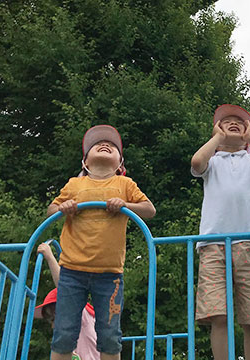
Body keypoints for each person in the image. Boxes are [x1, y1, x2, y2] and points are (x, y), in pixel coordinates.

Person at [46, 125, 156, 360]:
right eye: (97, 145)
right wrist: (63, 208)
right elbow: (51, 210)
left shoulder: (125, 185)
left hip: (109, 273)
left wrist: (126, 205)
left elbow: (149, 209)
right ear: (85, 162)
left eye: (113, 146)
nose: (105, 144)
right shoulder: (75, 184)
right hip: (72, 270)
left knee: (109, 335)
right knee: (64, 331)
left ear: (120, 164)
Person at [191, 104, 250, 360]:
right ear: (216, 130)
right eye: (226, 122)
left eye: (240, 121)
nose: (233, 123)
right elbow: (196, 162)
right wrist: (217, 139)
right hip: (212, 243)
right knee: (217, 315)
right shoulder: (212, 161)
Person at [35, 242, 100, 360]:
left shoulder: (82, 317)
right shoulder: (72, 333)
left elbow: (65, 290)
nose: (53, 326)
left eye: (54, 319)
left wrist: (49, 257)